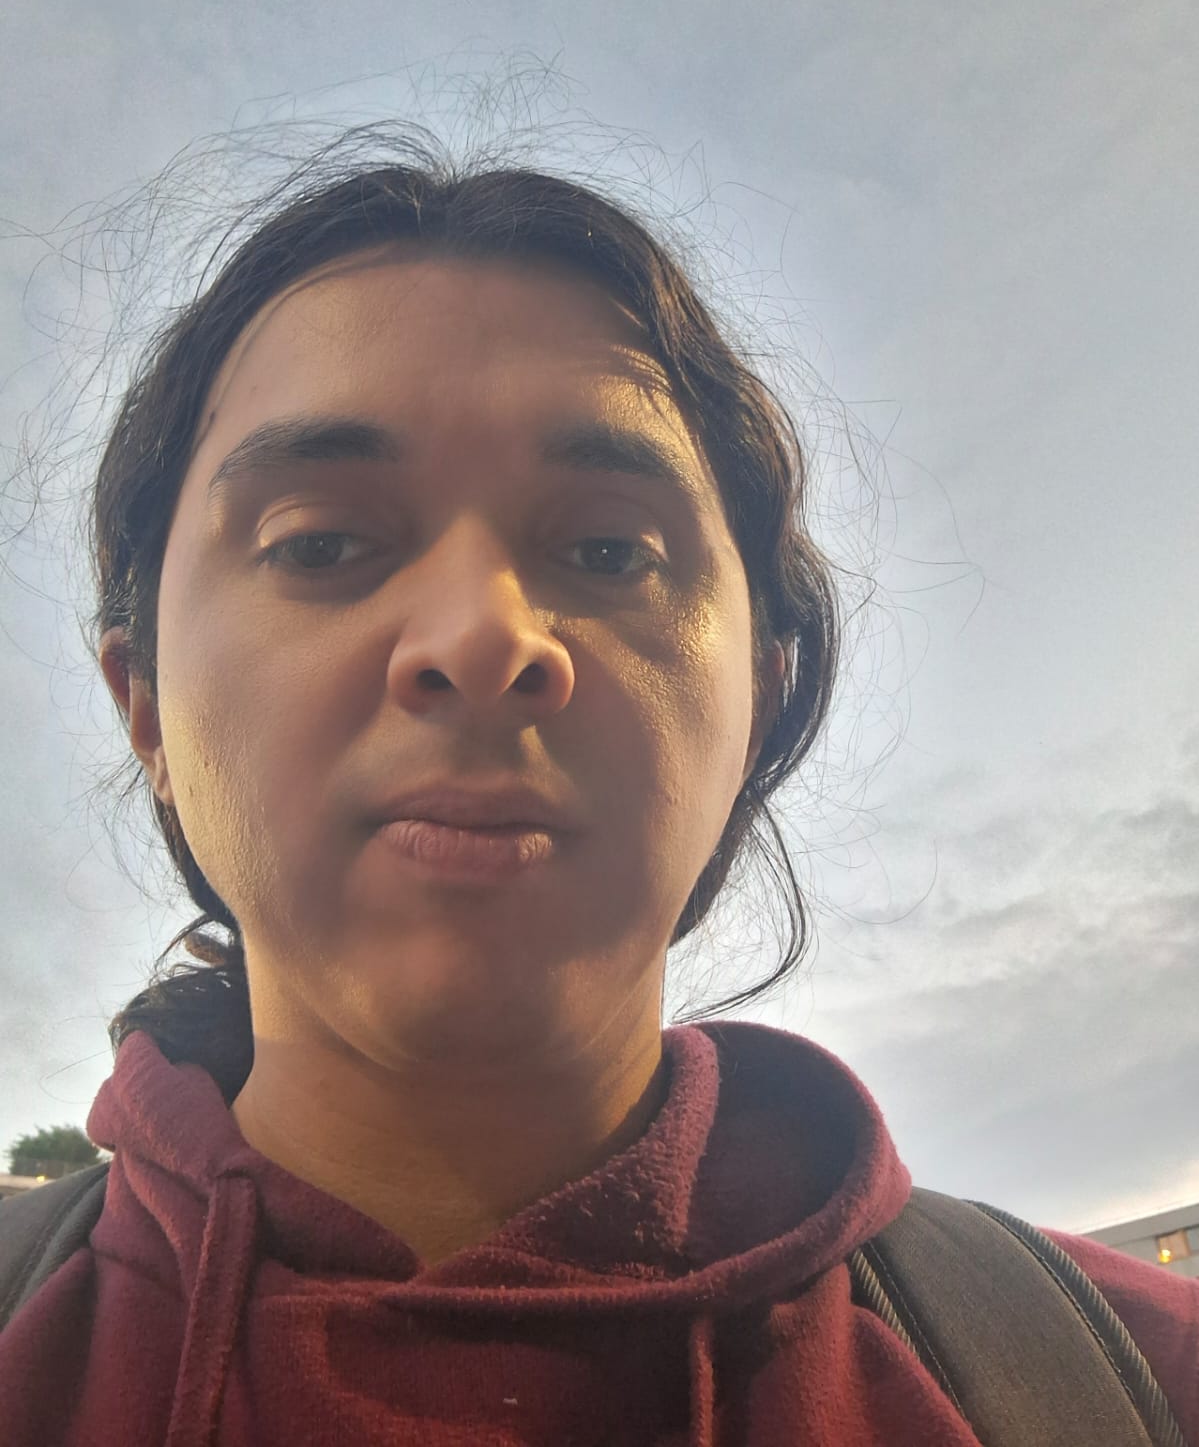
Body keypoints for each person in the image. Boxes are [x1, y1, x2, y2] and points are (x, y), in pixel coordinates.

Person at [1, 137, 1195, 1447]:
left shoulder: (1142, 1382)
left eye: (613, 550)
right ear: (144, 702)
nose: (480, 637)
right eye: (320, 541)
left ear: (763, 691)